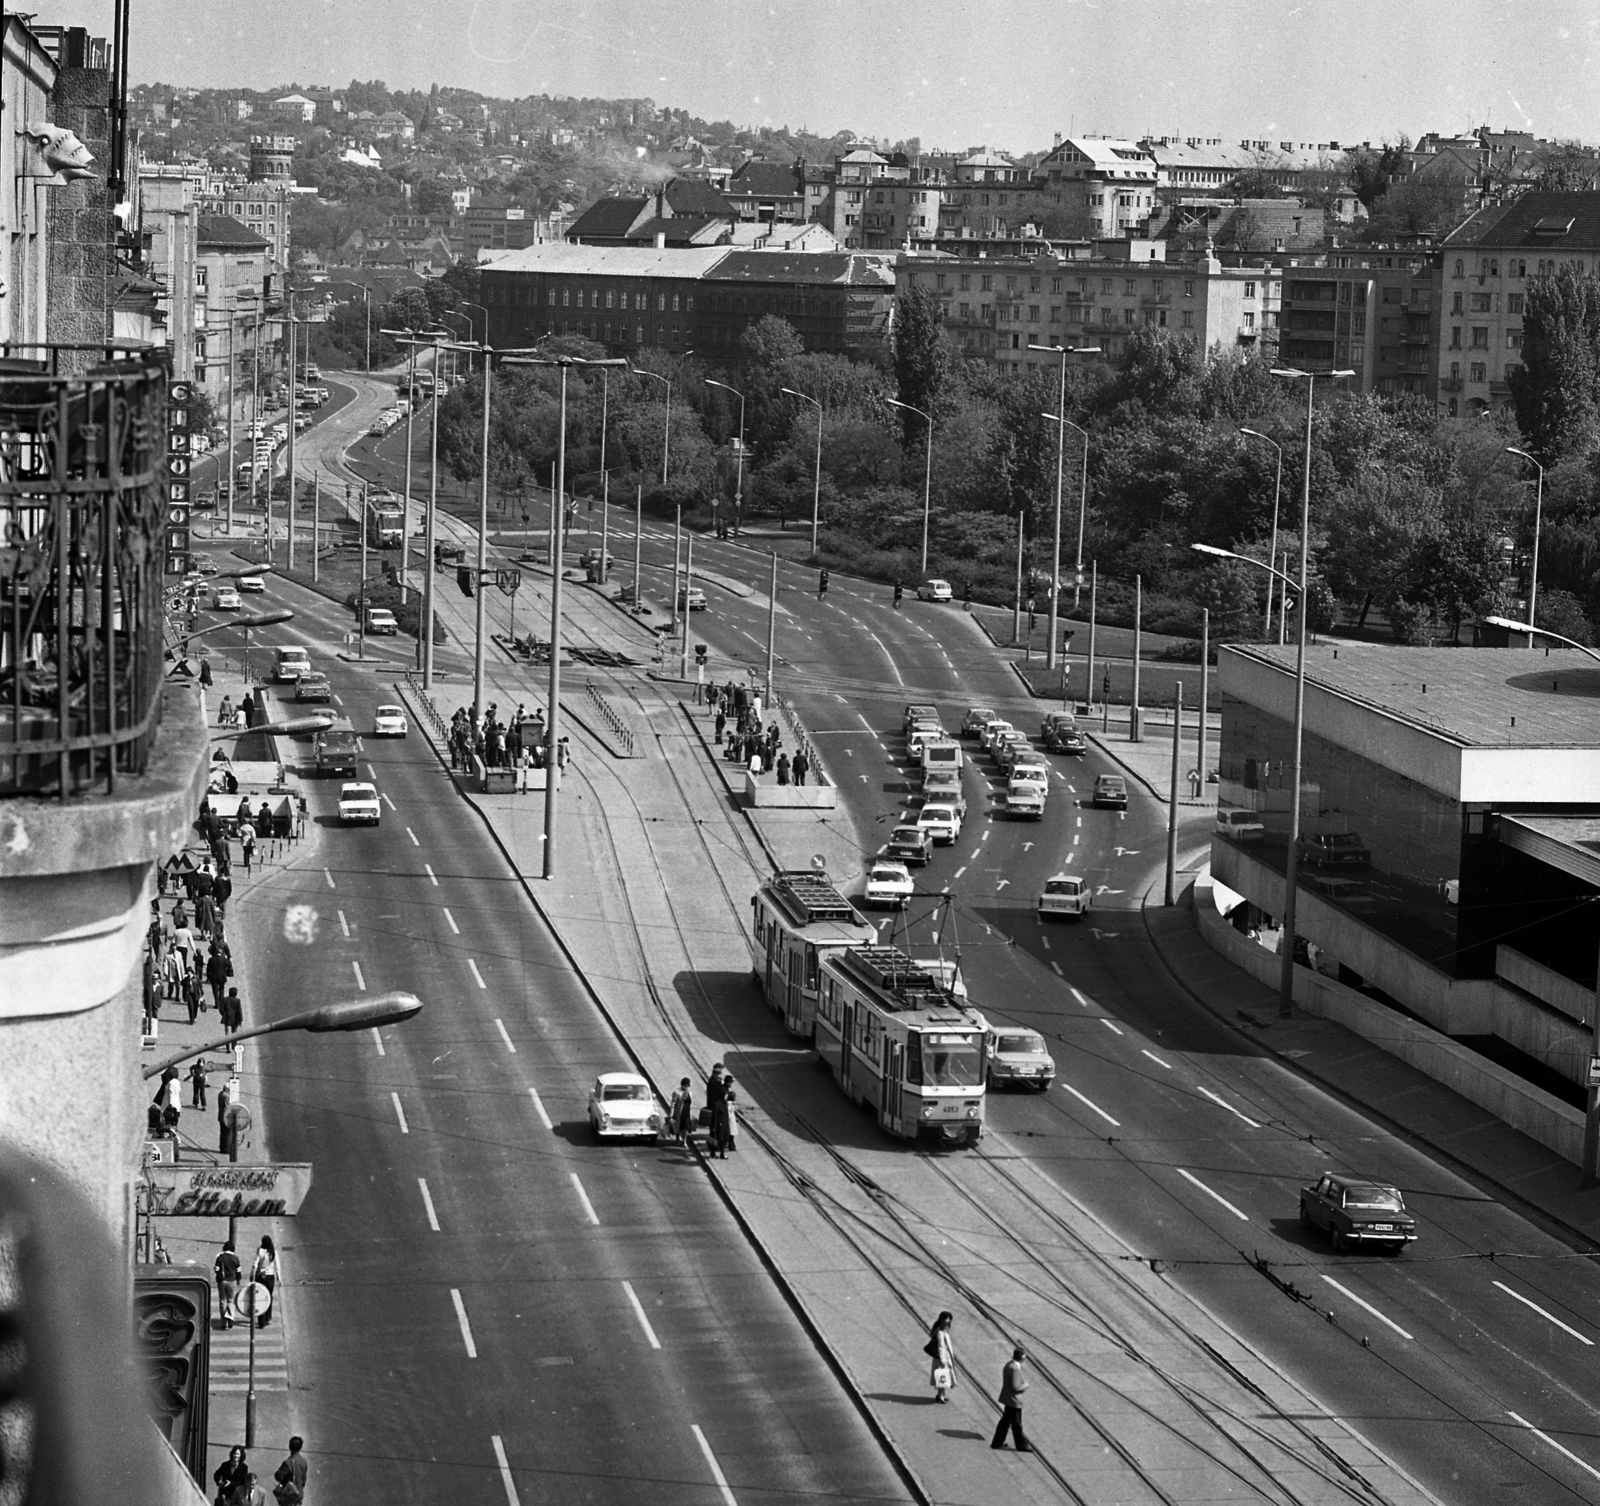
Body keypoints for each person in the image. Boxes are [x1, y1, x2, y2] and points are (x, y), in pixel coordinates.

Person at [990, 1346, 1031, 1451]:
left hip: (1008, 1399)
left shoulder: (1009, 1364)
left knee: (1005, 1422)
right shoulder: (1014, 1368)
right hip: (1014, 1400)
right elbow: (1015, 1387)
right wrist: (1025, 1385)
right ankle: (1021, 1445)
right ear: (1022, 1357)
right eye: (1025, 1356)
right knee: (1017, 1425)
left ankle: (997, 1442)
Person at [927, 1311, 956, 1402]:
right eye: (945, 1322)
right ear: (941, 1321)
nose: (947, 1324)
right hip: (942, 1358)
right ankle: (940, 1396)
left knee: (945, 1377)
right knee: (942, 1378)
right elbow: (941, 1347)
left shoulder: (943, 1331)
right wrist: (943, 1360)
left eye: (948, 1322)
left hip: (946, 1357)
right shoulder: (940, 1332)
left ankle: (943, 1394)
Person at [214, 1239, 242, 1329]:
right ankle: (230, 1317)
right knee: (231, 1300)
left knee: (222, 1301)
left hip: (222, 1281)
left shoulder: (220, 1257)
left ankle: (223, 1323)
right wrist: (238, 1279)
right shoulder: (236, 1258)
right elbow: (238, 1271)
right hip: (232, 1280)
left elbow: (217, 1269)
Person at [253, 1235, 278, 1327]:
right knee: (269, 1297)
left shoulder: (260, 1251)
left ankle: (261, 1321)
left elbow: (255, 1264)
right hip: (270, 1277)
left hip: (261, 1276)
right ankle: (268, 1317)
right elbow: (277, 1266)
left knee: (260, 1297)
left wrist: (252, 1274)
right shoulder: (273, 1252)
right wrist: (279, 1278)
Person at [274, 1438, 308, 1505]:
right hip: (299, 1494)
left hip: (289, 1496)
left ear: (289, 1446)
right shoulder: (303, 1461)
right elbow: (303, 1480)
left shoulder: (288, 1462)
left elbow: (278, 1476)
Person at [668, 1078, 694, 1146]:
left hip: (687, 1112)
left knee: (686, 1127)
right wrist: (671, 1114)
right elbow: (673, 1104)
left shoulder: (690, 1092)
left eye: (687, 1086)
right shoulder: (676, 1092)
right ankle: (677, 1139)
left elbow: (690, 1103)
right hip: (679, 1113)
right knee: (677, 1127)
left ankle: (684, 1141)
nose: (686, 1087)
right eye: (685, 1085)